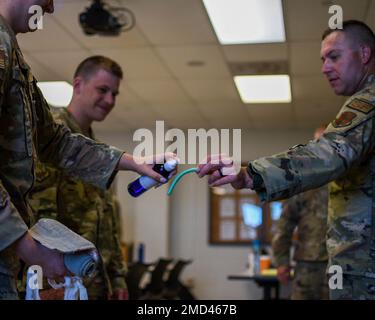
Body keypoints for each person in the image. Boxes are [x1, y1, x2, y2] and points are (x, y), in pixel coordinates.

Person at [0, 0, 176, 299]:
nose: (51, 8)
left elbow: (56, 140)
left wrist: (134, 162)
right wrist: (30, 249)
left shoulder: (12, 51)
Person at [197, 20, 375, 300]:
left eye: (334, 56)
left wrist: (249, 174)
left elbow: (329, 153)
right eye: (323, 59)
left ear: (364, 54)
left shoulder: (368, 102)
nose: (324, 68)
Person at [28, 56, 129, 300]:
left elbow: (106, 216)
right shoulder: (47, 135)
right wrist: (44, 284)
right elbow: (39, 214)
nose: (109, 100)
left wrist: (116, 276)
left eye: (114, 93)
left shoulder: (98, 150)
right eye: (103, 90)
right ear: (78, 85)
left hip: (92, 280)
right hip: (56, 278)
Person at [272, 126, 329, 300]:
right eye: (318, 143)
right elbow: (285, 224)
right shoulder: (305, 181)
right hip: (307, 263)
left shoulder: (351, 179)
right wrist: (282, 262)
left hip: (342, 263)